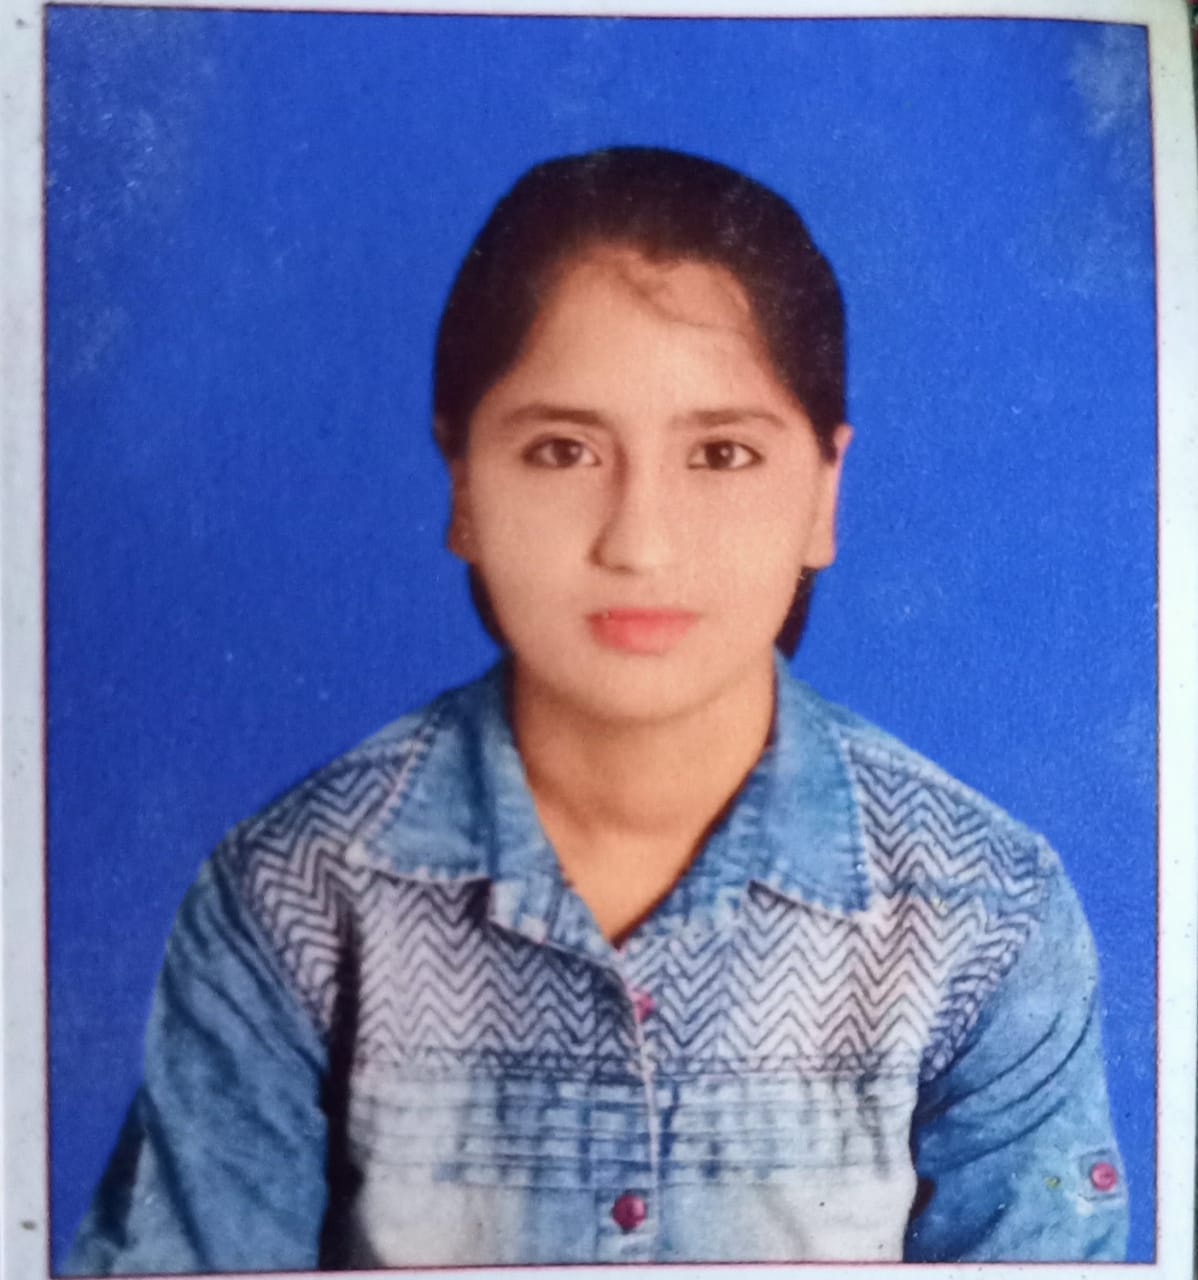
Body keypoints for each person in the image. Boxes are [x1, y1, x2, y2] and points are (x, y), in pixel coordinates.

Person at [66, 147, 1128, 1273]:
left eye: (722, 453)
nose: (639, 542)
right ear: (463, 483)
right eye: (563, 450)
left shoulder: (984, 911)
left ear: (823, 491)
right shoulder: (293, 896)